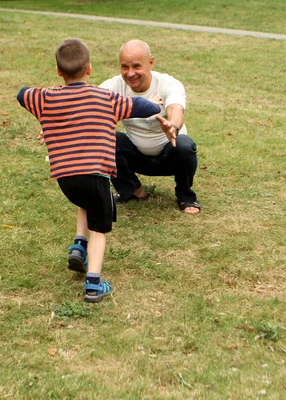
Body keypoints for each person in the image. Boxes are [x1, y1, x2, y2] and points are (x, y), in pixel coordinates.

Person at [17, 38, 161, 302]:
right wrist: (154, 103)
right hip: (95, 175)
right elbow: (144, 108)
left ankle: (78, 245)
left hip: (65, 179)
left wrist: (52, 98)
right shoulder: (107, 98)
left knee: (85, 202)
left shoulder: (45, 99)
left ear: (59, 71)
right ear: (90, 69)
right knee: (100, 228)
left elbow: (22, 93)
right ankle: (93, 282)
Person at [99, 39, 201, 214]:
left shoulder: (168, 83)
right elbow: (87, 103)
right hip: (136, 156)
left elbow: (176, 107)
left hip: (171, 156)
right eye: (125, 67)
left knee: (184, 145)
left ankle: (185, 195)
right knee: (106, 138)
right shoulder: (113, 86)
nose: (130, 74)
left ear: (151, 62)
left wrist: (173, 126)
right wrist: (56, 123)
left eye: (136, 66)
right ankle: (132, 190)